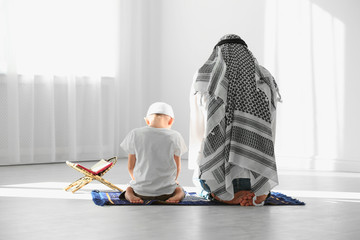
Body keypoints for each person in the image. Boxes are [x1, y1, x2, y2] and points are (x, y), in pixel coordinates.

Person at [189, 34, 282, 206]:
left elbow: (198, 130)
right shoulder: (264, 79)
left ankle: (221, 194)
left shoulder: (205, 77)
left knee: (200, 180)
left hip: (215, 177)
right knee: (259, 183)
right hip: (256, 177)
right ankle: (258, 194)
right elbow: (271, 130)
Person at [120, 102, 188, 204]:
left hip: (141, 192)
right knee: (179, 189)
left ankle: (130, 194)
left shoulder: (135, 134)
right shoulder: (175, 136)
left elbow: (130, 166)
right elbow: (177, 167)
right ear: (171, 121)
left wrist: (139, 181)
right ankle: (177, 196)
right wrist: (173, 181)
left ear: (147, 121)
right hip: (166, 192)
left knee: (129, 188)